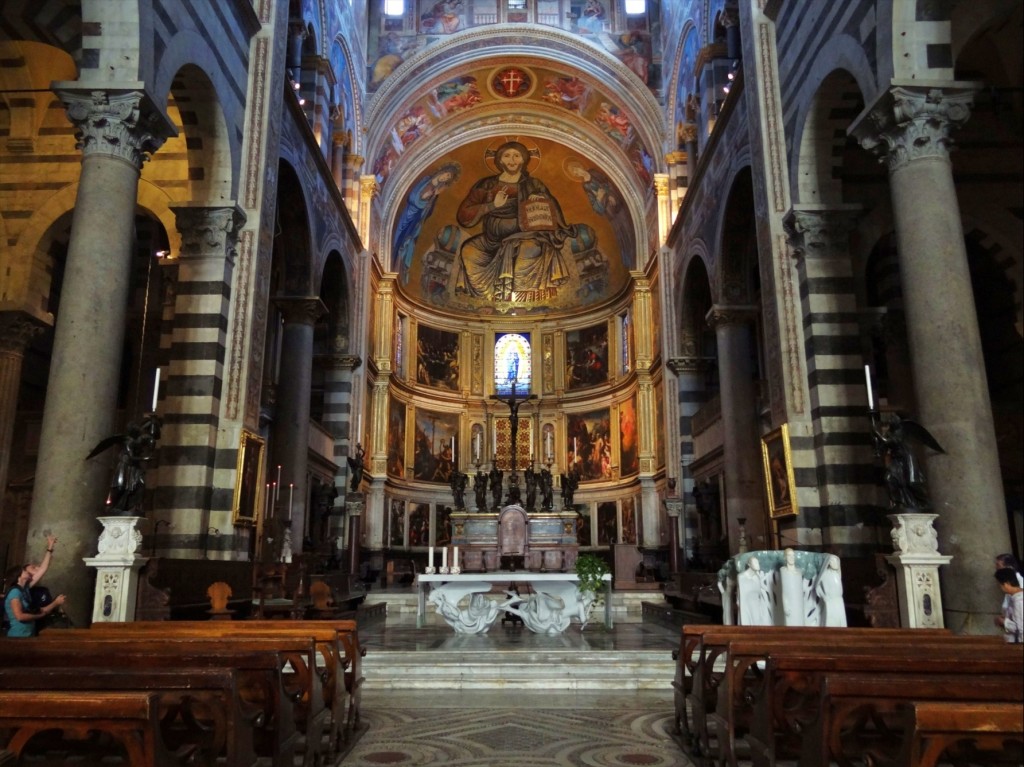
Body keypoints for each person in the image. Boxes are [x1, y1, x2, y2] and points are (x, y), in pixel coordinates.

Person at [454, 141, 578, 302]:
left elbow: (552, 211)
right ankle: (485, 299)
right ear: (500, 160)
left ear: (523, 159)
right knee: (468, 250)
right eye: (507, 156)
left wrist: (541, 198)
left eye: (516, 156)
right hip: (492, 240)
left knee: (529, 249)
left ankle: (525, 300)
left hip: (526, 236)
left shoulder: (533, 184)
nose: (512, 160)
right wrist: (492, 205)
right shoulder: (487, 184)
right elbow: (464, 214)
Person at [4, 535, 67, 637]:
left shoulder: (24, 588)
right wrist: (39, 615)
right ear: (19, 576)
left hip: (28, 634)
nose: (28, 572)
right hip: (18, 636)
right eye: (24, 571)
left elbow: (43, 569)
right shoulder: (15, 592)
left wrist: (50, 547)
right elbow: (20, 616)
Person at [994, 567, 1023, 643]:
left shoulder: (1019, 600)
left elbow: (1021, 628)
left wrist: (1003, 622)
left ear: (1006, 584)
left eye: (1000, 585)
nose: (1000, 588)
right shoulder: (1015, 597)